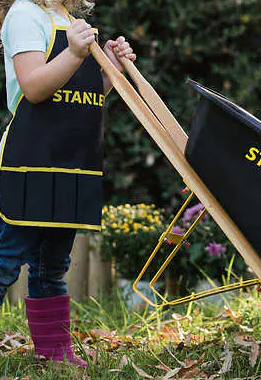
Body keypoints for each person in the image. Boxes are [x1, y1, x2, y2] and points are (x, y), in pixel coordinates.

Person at [0, 0, 135, 366]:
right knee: (5, 261)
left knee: (52, 266)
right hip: (30, 164)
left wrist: (110, 70)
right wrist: (76, 51)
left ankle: (55, 355)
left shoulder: (69, 20)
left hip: (70, 167)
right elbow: (33, 86)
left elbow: (82, 96)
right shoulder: (25, 14)